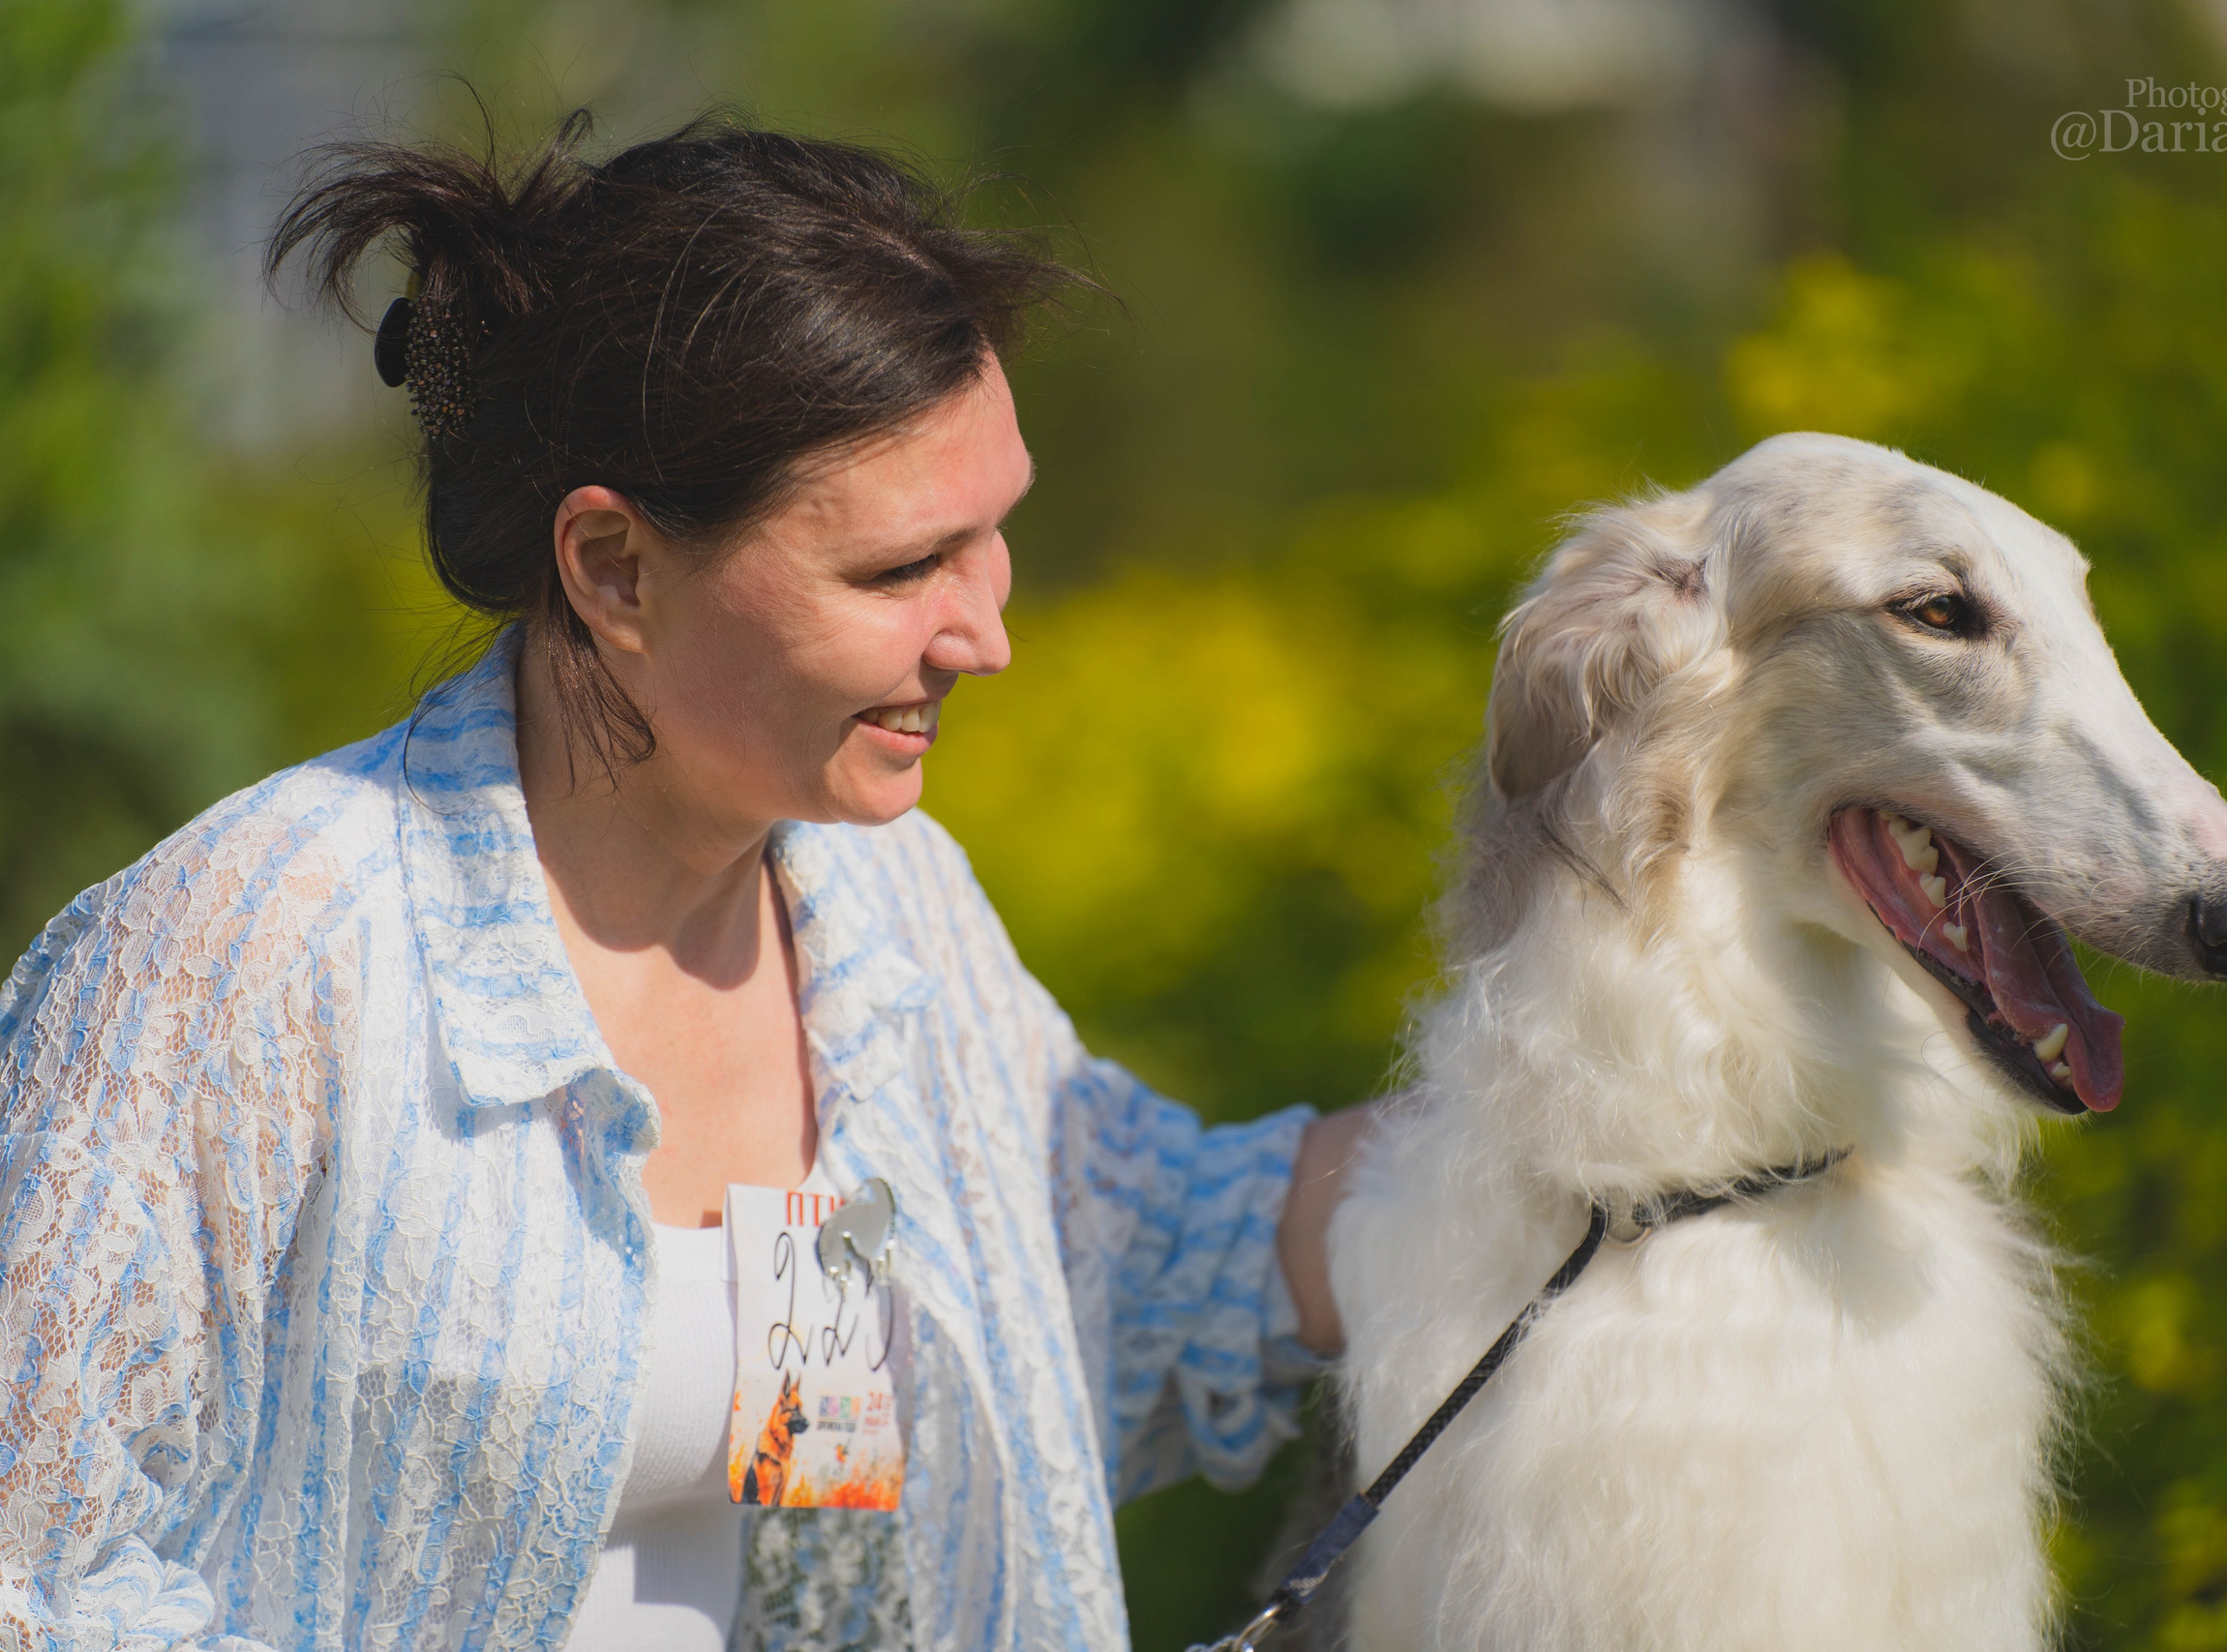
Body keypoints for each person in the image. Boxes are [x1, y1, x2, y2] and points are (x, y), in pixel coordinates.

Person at [0, 113, 1371, 1652]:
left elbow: (1122, 1276)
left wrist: (1587, 1107)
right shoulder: (246, 957)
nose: (986, 631)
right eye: (900, 568)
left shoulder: (882, 911)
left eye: (998, 537)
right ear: (614, 569)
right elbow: (37, 1581)